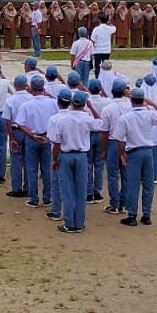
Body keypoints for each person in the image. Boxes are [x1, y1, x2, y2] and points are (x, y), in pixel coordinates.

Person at [113, 87, 157, 226]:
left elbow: (118, 138)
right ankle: (146, 215)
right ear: (143, 100)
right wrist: (153, 104)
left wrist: (122, 154)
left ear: (131, 100)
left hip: (134, 152)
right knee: (148, 185)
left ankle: (132, 215)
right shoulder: (149, 114)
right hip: (148, 151)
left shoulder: (126, 117)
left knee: (133, 185)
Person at [48, 91, 99, 233]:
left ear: (71, 103)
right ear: (83, 104)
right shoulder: (87, 119)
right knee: (81, 190)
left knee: (67, 190)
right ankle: (79, 223)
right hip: (82, 156)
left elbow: (56, 142)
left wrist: (54, 159)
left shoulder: (62, 119)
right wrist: (91, 107)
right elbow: (99, 123)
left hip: (65, 155)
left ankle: (69, 223)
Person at [14, 75, 57, 209]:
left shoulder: (26, 105)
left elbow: (20, 124)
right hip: (46, 137)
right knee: (47, 169)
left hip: (32, 138)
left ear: (31, 88)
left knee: (32, 169)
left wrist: (32, 135)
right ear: (43, 88)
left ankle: (34, 198)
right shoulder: (52, 103)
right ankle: (47, 197)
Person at [99, 79, 131, 215]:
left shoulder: (108, 108)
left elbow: (105, 131)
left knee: (112, 175)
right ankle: (123, 203)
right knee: (126, 175)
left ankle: (114, 204)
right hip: (128, 142)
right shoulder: (130, 105)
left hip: (113, 142)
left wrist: (104, 148)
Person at [3, 75, 33, 198]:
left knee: (16, 160)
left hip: (16, 130)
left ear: (15, 86)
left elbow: (7, 121)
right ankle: (28, 187)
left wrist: (11, 138)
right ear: (26, 85)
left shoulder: (10, 100)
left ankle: (16, 188)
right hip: (29, 131)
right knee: (29, 160)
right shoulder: (31, 98)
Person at [90, 14, 116, 80]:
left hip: (98, 50)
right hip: (107, 50)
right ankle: (105, 78)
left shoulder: (96, 29)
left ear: (99, 20)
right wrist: (109, 23)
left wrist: (91, 50)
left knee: (97, 65)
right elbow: (114, 28)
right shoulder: (110, 28)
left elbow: (92, 40)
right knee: (105, 66)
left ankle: (97, 78)